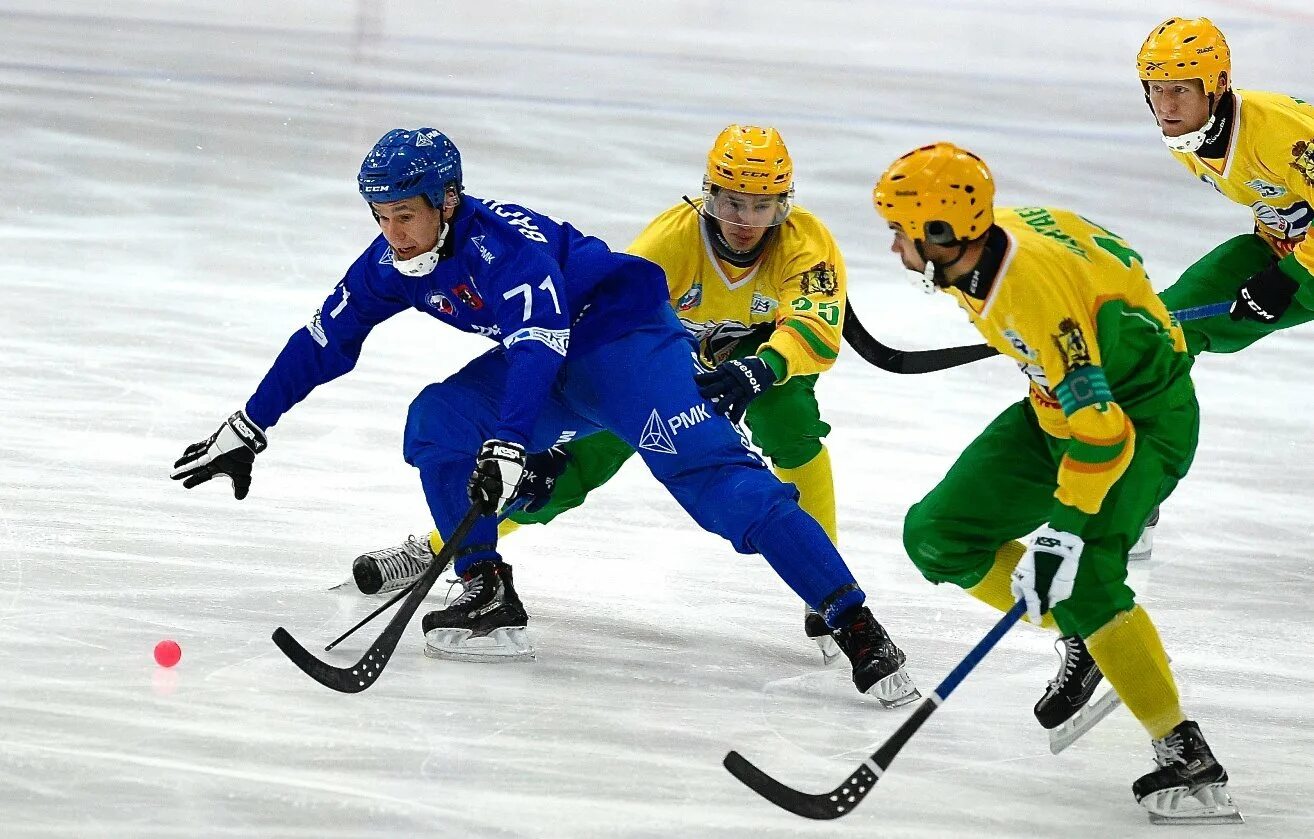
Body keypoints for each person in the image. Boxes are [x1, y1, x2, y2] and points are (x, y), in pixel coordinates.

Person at [169, 126, 919, 705]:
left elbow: (536, 344)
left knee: (722, 488)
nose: (394, 234)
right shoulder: (391, 260)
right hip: (560, 365)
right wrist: (248, 425)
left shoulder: (505, 251)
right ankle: (487, 592)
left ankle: (854, 621)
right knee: (434, 420)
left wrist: (511, 439)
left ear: (448, 202)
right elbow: (324, 340)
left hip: (625, 349)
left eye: (406, 216)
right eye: (382, 217)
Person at [352, 124, 851, 663]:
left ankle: (822, 578)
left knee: (789, 422)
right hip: (663, 370)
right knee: (558, 479)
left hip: (763, 366)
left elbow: (816, 329)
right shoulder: (672, 239)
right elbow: (603, 327)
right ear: (708, 194)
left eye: (762, 206)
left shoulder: (807, 243)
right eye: (731, 201)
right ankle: (441, 547)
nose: (744, 222)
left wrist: (761, 367)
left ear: (784, 205)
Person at [876, 142, 1239, 821]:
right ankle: (1090, 632)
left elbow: (1104, 431)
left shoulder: (1026, 287)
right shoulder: (981, 247)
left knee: (1087, 575)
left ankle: (1186, 752)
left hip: (1141, 421)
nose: (895, 246)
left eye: (902, 230)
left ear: (945, 233)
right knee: (937, 535)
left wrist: (1065, 534)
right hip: (1058, 415)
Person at [1128, 17, 1314, 564]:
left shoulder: (1280, 131)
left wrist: (1289, 277)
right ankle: (1136, 500)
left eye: (1180, 90)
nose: (1166, 105)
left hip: (1297, 262)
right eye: (1156, 90)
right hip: (1284, 251)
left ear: (1217, 86)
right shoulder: (1189, 138)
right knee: (1158, 332)